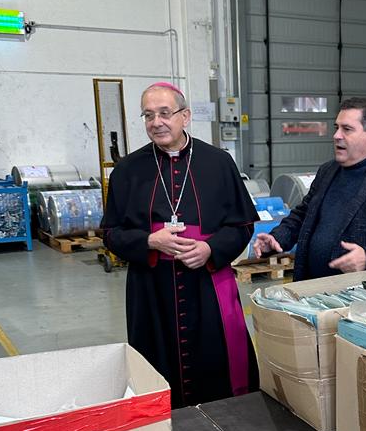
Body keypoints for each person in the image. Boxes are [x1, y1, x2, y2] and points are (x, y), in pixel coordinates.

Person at [102, 82, 259, 408]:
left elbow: (242, 225)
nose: (156, 122)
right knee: (157, 368)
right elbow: (111, 233)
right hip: (151, 290)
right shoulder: (127, 170)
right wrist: (149, 240)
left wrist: (210, 249)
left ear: (185, 116)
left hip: (207, 286)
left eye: (164, 113)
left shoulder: (218, 162)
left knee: (217, 367)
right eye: (148, 115)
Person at [253, 98, 366, 280]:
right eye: (336, 127)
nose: (336, 135)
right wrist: (277, 237)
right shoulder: (327, 171)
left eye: (347, 129)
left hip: (358, 293)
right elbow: (303, 215)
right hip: (310, 286)